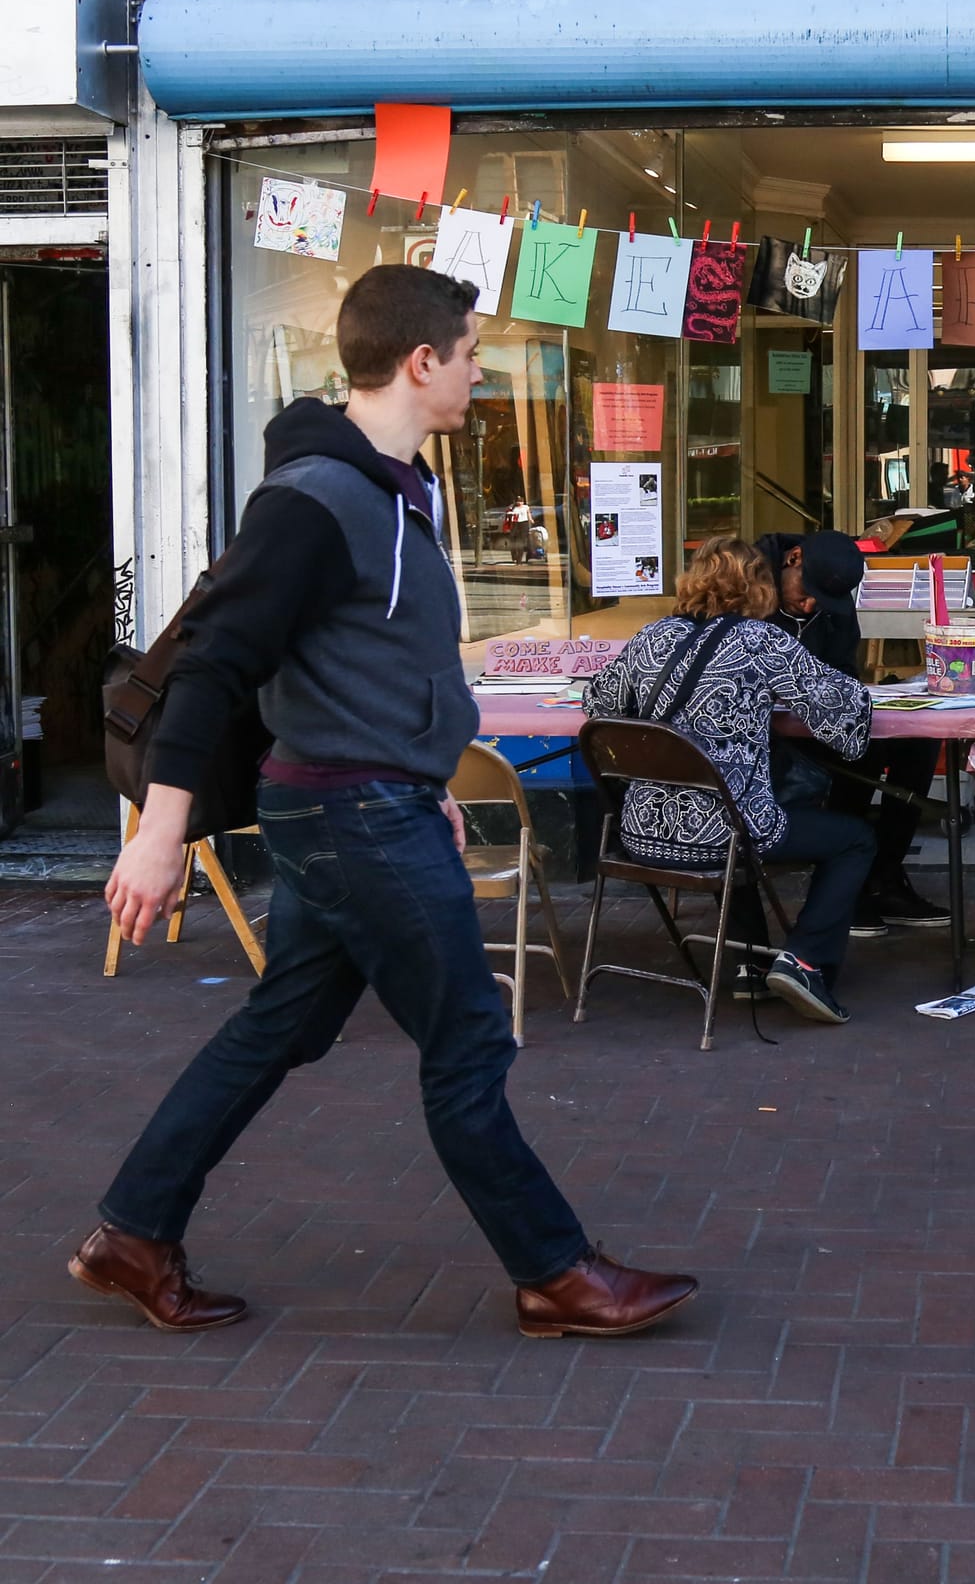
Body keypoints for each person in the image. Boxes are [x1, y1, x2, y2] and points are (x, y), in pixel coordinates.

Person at [83, 265, 696, 1340]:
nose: (478, 373)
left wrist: (426, 777)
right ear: (421, 362)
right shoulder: (313, 501)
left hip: (371, 801)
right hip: (351, 813)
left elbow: (374, 662)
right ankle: (554, 1272)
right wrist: (161, 829)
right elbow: (214, 662)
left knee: (280, 1025)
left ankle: (133, 1234)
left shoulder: (394, 490)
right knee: (468, 1042)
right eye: (469, 354)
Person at [586, 536, 875, 1025]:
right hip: (723, 836)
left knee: (731, 804)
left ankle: (751, 962)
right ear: (760, 587)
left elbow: (598, 705)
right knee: (853, 838)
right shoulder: (762, 642)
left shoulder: (651, 637)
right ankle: (804, 961)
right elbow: (843, 716)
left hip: (641, 834)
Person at [752, 531, 952, 939]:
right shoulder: (747, 581)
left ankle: (884, 875)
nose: (810, 605)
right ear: (793, 559)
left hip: (813, 718)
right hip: (761, 734)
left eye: (822, 601)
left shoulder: (831, 602)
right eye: (807, 593)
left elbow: (843, 671)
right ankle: (845, 885)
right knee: (857, 753)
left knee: (917, 741)